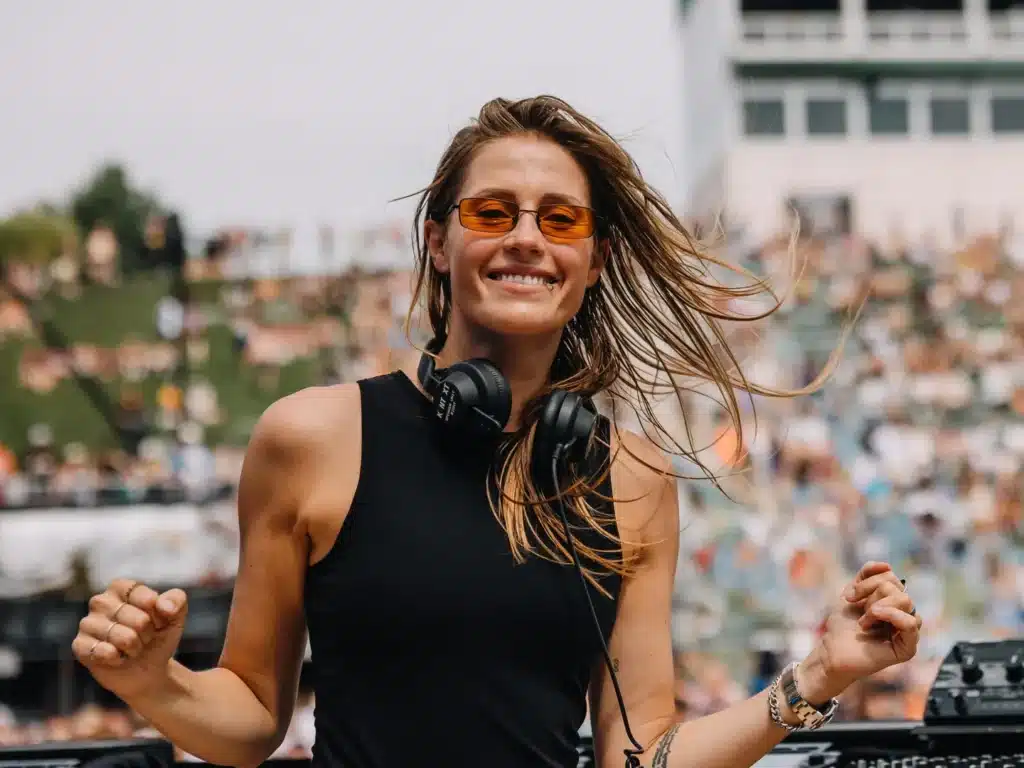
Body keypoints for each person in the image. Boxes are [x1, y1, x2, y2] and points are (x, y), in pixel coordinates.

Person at [72, 95, 922, 768]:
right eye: (493, 211)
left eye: (559, 219)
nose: (525, 238)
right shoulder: (309, 437)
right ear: (438, 243)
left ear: (593, 264)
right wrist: (157, 682)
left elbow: (641, 757)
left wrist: (819, 675)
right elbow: (254, 719)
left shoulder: (630, 475)